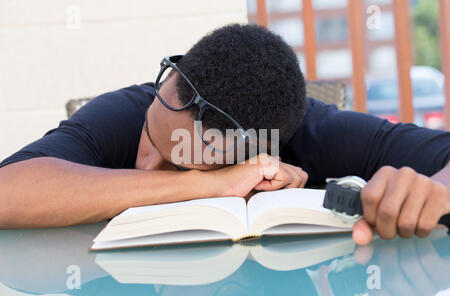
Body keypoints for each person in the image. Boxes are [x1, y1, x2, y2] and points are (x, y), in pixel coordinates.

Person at [0, 24, 448, 246]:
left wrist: (432, 192)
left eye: (179, 161)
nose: (146, 165)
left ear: (258, 151)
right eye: (151, 139)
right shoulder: (126, 110)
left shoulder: (311, 130)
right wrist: (204, 183)